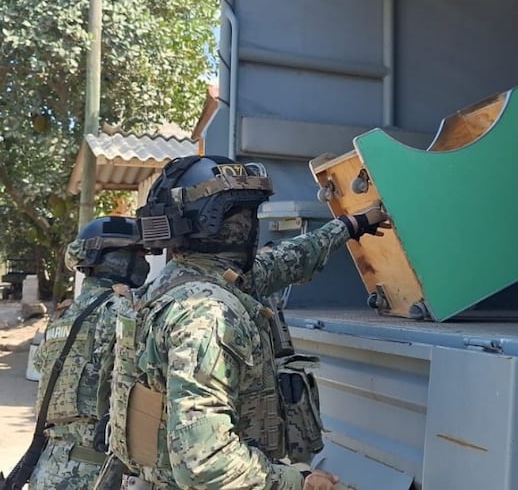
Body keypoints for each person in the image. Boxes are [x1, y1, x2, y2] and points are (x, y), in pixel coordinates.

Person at [105, 155, 388, 490]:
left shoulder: (176, 284)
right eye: (244, 214)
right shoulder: (206, 313)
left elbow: (285, 261)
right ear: (212, 220)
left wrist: (350, 226)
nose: (252, 224)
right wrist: (297, 482)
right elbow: (205, 464)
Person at [25, 216, 151, 490]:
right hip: (95, 473)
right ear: (115, 258)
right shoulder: (122, 312)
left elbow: (40, 366)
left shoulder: (64, 314)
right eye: (139, 254)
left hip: (49, 466)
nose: (145, 262)